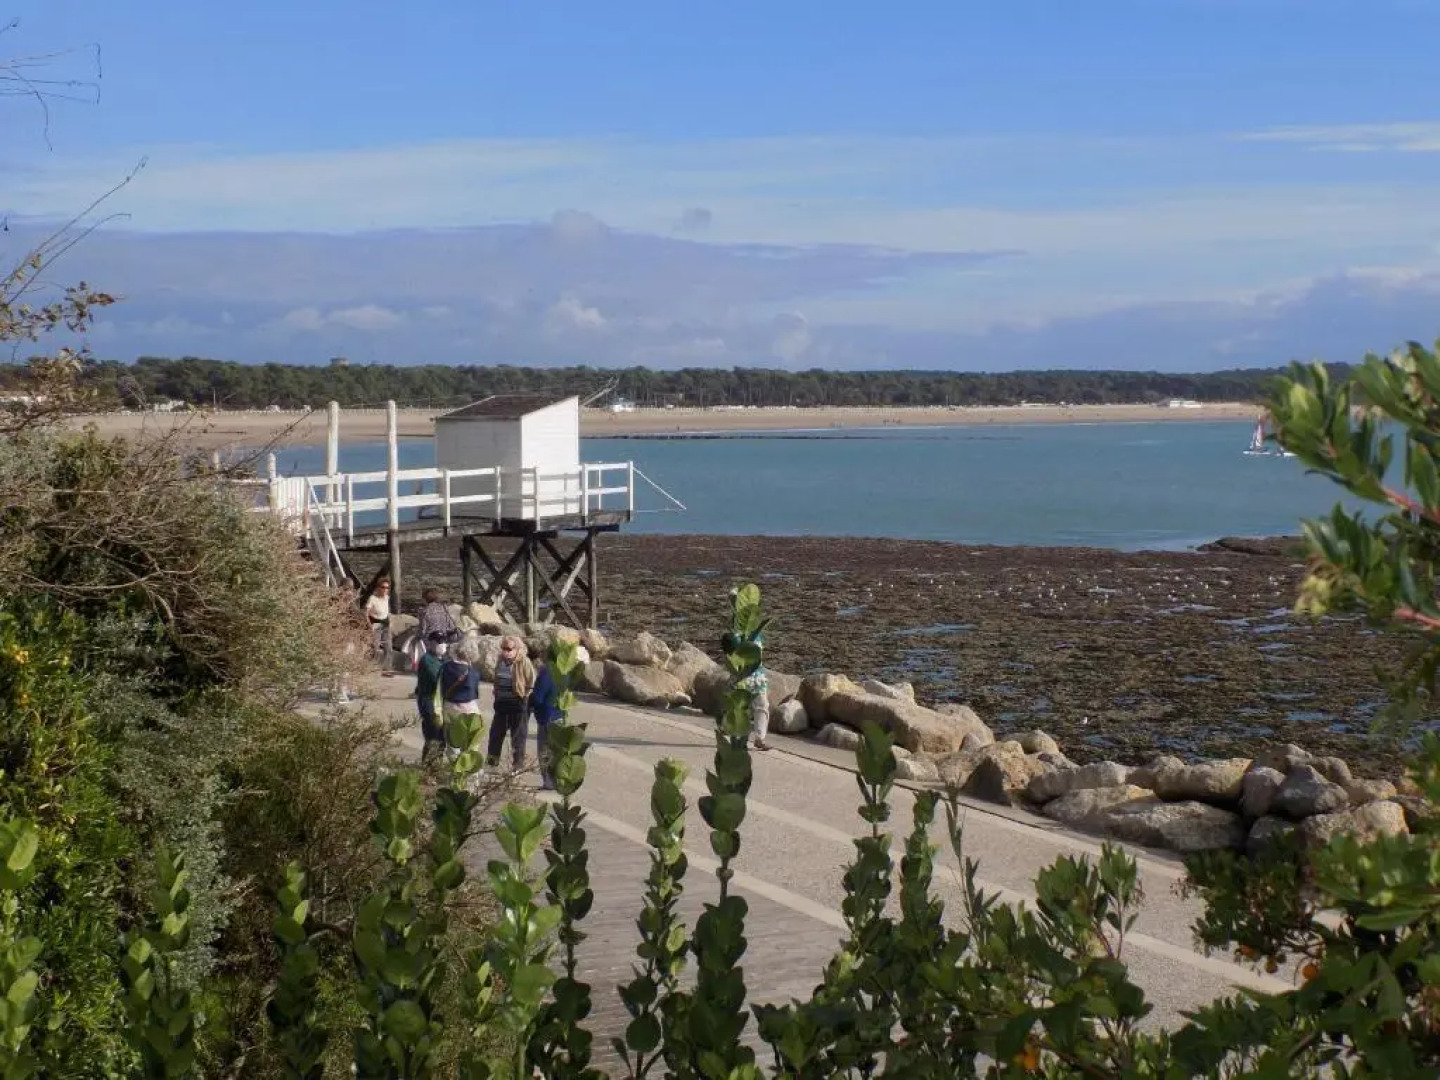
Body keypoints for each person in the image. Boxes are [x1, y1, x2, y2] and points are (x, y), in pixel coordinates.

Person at [487, 635, 535, 772]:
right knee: (495, 735)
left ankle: (517, 767)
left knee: (518, 737)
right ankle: (491, 764)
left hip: (517, 704)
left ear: (517, 649)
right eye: (503, 648)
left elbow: (531, 681)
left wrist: (524, 697)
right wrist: (496, 692)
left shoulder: (524, 662)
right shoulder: (500, 660)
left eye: (509, 649)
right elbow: (496, 678)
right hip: (501, 703)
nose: (505, 651)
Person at [439, 641, 483, 761]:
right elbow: (472, 691)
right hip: (468, 707)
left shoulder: (446, 667)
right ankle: (467, 767)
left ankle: (454, 767)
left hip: (449, 705)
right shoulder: (473, 672)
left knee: (452, 743)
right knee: (471, 742)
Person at [529, 653, 563, 790]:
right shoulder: (563, 673)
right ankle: (558, 780)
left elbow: (538, 698)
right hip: (559, 715)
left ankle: (548, 782)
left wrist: (529, 699)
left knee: (544, 750)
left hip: (546, 717)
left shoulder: (545, 674)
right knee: (556, 751)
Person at [415, 631, 449, 765]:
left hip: (439, 702)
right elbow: (438, 678)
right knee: (433, 733)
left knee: (441, 736)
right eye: (439, 642)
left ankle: (435, 765)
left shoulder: (443, 660)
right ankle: (429, 765)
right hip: (428, 701)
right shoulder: (427, 660)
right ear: (431, 643)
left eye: (444, 641)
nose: (443, 644)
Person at [365, 578, 394, 676]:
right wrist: (369, 625)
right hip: (376, 624)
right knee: (374, 646)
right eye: (383, 587)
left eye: (387, 588)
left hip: (385, 624)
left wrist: (390, 622)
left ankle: (387, 668)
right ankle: (370, 667)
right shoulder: (372, 598)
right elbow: (366, 613)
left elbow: (387, 610)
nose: (385, 589)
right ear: (378, 588)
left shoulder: (387, 598)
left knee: (388, 647)